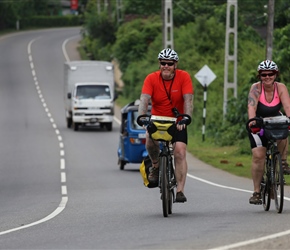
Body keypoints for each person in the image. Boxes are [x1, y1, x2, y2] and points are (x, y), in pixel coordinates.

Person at [138, 48, 194, 203]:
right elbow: (144, 100)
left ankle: (180, 190)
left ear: (175, 64)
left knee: (180, 152)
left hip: (177, 121)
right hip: (157, 119)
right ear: (159, 64)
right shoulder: (151, 78)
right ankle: (156, 166)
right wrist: (142, 117)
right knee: (149, 139)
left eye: (170, 63)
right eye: (163, 63)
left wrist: (186, 118)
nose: (166, 66)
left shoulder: (184, 77)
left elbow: (188, 100)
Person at [247, 59, 290, 205]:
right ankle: (257, 192)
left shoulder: (281, 87)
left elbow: (287, 106)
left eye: (270, 74)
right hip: (258, 122)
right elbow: (251, 107)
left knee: (284, 127)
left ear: (275, 75)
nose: (267, 77)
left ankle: (283, 161)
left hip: (274, 120)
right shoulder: (256, 88)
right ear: (259, 76)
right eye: (264, 74)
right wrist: (252, 122)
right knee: (259, 156)